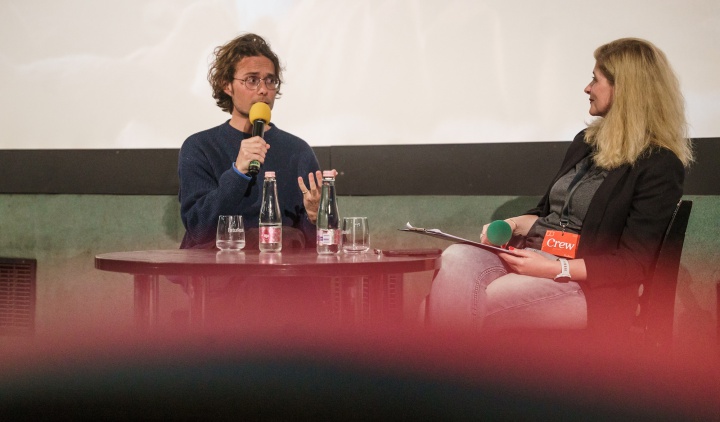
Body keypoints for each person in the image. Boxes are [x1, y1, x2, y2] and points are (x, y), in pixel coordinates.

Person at [427, 38, 693, 335]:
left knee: (476, 301)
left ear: (625, 89)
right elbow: (546, 213)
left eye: (595, 79)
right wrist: (512, 225)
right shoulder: (586, 142)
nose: (587, 88)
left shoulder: (659, 164)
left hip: (586, 284)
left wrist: (554, 269)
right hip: (536, 255)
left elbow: (633, 262)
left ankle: (448, 363)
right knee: (455, 257)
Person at [178, 33, 324, 250]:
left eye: (270, 80)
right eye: (252, 80)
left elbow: (313, 245)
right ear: (227, 85)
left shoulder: (298, 150)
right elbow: (199, 228)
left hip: (279, 266)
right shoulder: (200, 147)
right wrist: (237, 173)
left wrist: (315, 218)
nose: (263, 89)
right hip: (219, 266)